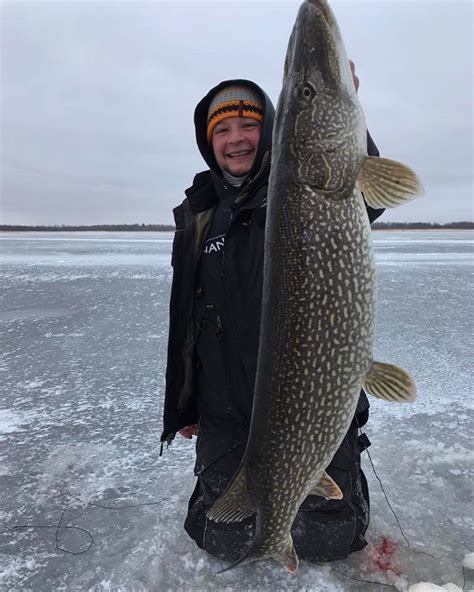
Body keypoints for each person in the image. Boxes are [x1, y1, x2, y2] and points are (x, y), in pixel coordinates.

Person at [161, 67, 384, 564]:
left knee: (330, 541)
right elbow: (189, 318)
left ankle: (335, 480)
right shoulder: (197, 214)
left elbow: (362, 198)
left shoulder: (297, 189)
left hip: (308, 397)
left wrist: (337, 117)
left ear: (274, 131)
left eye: (249, 125)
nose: (236, 139)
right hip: (225, 408)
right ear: (208, 140)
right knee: (217, 536)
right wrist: (185, 403)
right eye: (222, 129)